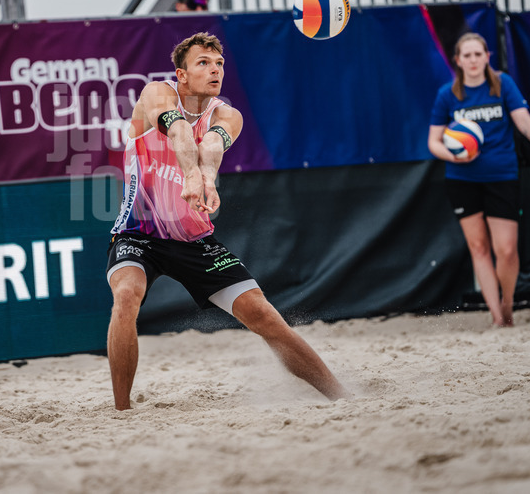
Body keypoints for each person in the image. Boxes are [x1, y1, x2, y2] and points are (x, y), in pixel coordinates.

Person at [106, 32, 350, 409]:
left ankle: (342, 396)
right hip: (138, 234)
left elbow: (212, 145)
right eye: (203, 63)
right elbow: (178, 129)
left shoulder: (227, 115)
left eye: (219, 63)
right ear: (181, 74)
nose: (215, 69)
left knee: (264, 315)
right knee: (126, 296)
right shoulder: (156, 94)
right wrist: (191, 175)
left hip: (195, 240)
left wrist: (205, 177)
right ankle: (122, 411)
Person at [427, 32, 530, 328]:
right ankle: (498, 318)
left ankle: (507, 303)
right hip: (462, 179)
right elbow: (433, 142)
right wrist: (454, 157)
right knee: (479, 247)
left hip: (502, 175)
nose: (473, 60)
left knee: (507, 250)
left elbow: (523, 119)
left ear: (487, 57)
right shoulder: (447, 95)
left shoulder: (502, 84)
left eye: (478, 54)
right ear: (458, 60)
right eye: (467, 55)